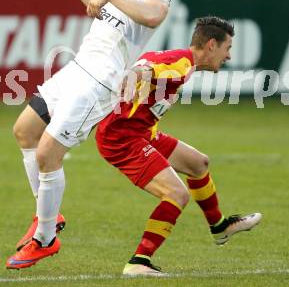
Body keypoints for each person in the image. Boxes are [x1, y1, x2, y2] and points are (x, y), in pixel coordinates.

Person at [6, 0, 173, 269]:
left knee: (48, 153)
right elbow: (99, 1)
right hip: (78, 67)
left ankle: (45, 239)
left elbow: (154, 16)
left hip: (101, 81)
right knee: (24, 130)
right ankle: (48, 215)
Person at [95, 16, 262, 276]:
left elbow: (150, 65)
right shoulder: (181, 64)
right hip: (123, 138)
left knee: (199, 163)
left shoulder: (180, 60)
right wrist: (135, 75)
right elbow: (147, 70)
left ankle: (219, 228)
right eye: (227, 48)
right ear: (211, 45)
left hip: (143, 133)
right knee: (177, 194)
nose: (228, 56)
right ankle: (139, 261)